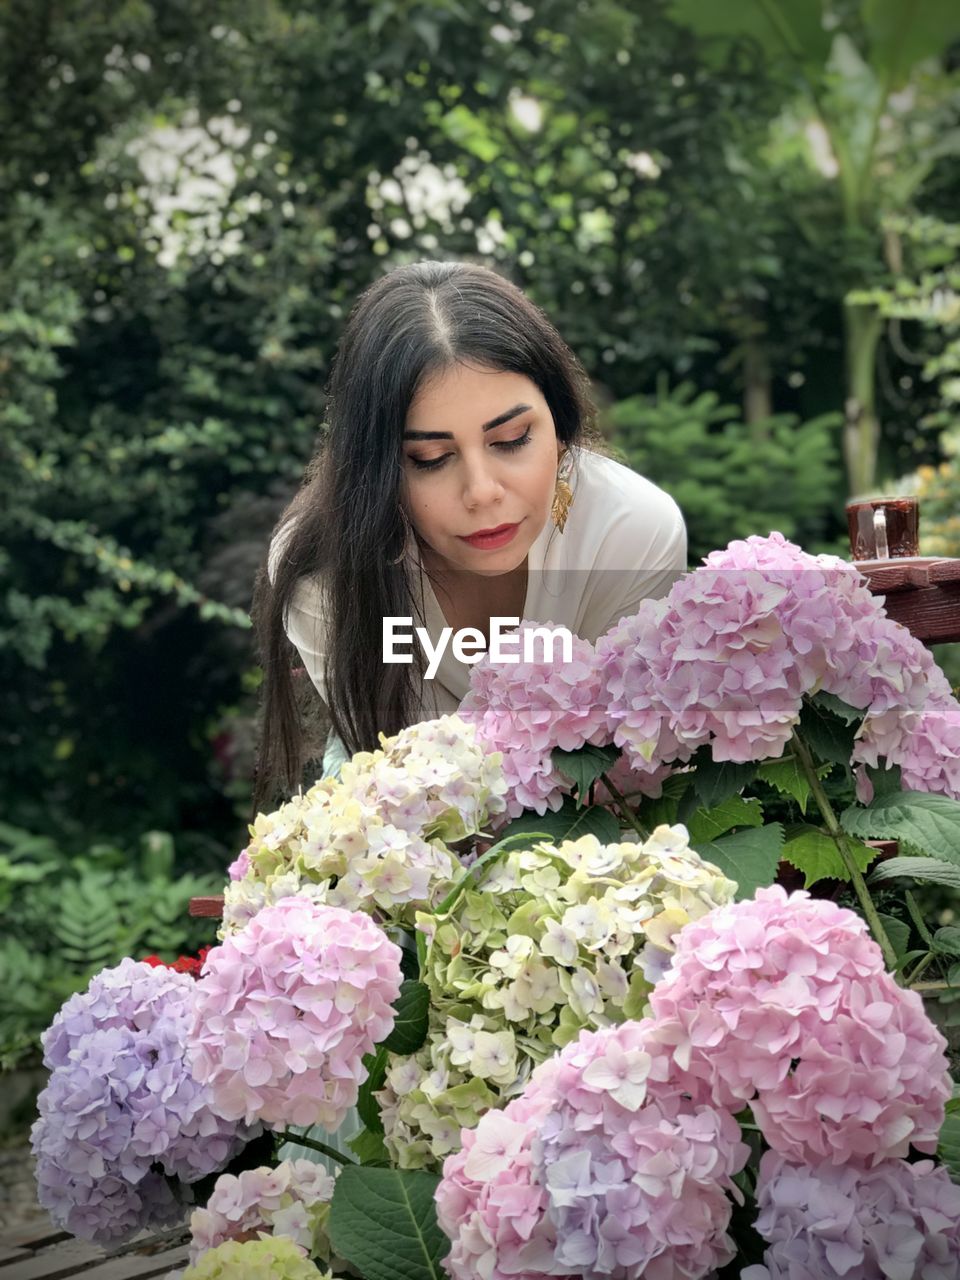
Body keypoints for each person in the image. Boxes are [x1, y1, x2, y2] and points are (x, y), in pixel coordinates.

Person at [254, 260, 686, 805]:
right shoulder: (323, 571)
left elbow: (621, 768)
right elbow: (421, 807)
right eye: (431, 458)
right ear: (377, 471)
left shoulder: (631, 531)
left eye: (511, 439)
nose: (481, 492)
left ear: (561, 425)